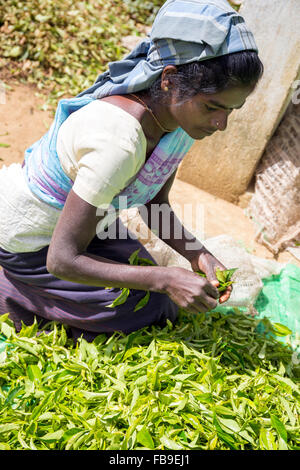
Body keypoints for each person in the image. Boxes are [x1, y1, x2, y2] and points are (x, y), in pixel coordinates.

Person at [0, 0, 263, 341]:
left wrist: (199, 256)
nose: (221, 123)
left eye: (232, 109)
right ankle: (14, 291)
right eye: (213, 107)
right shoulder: (118, 141)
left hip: (89, 227)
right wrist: (165, 278)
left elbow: (154, 204)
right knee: (148, 310)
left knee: (160, 301)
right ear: (169, 80)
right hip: (32, 244)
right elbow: (62, 260)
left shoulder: (179, 124)